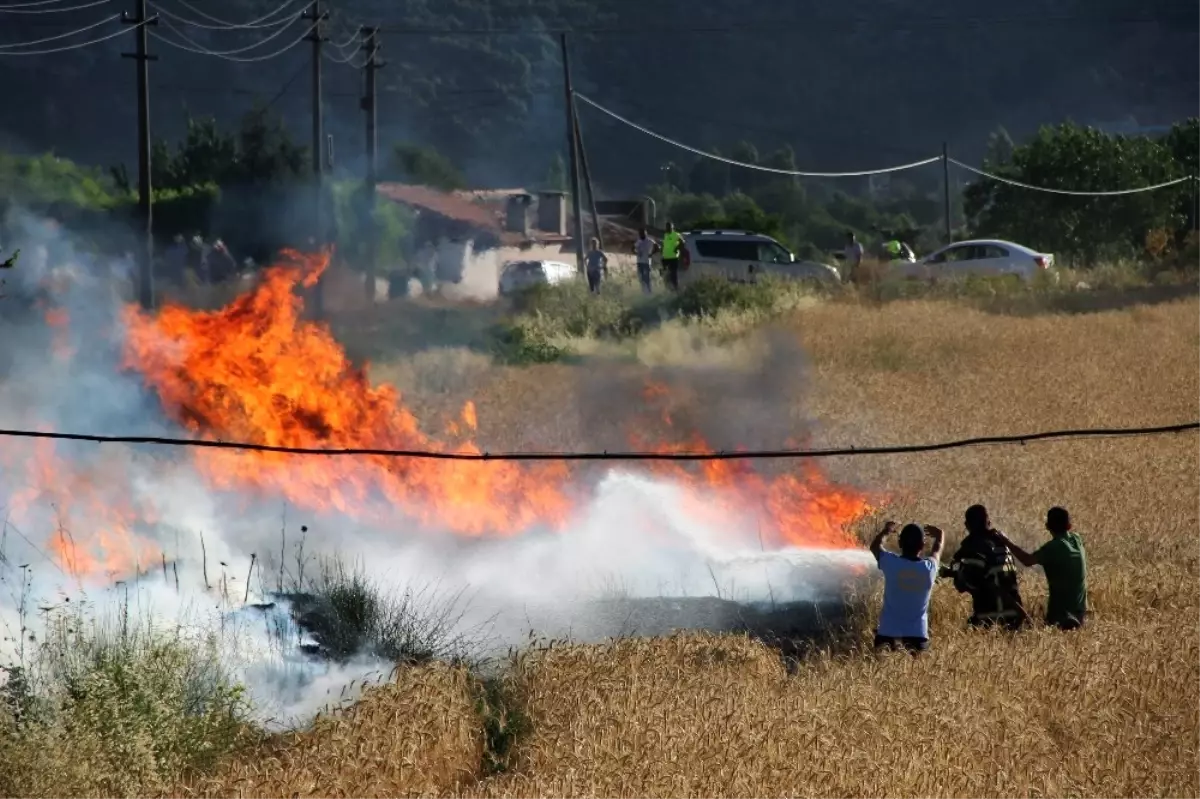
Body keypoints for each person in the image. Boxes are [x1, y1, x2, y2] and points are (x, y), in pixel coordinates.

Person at [993, 507, 1089, 630]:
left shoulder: (1053, 547)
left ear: (1047, 526)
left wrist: (1005, 540)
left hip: (1060, 614)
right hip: (1080, 611)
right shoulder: (1077, 539)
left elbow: (1027, 560)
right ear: (1069, 526)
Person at [942, 504, 1030, 631]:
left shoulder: (973, 547)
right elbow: (989, 573)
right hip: (1015, 616)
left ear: (967, 525)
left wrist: (952, 573)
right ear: (989, 522)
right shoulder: (1003, 543)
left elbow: (966, 583)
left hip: (990, 618)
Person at [870, 520, 944, 654]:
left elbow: (875, 546)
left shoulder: (891, 563)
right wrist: (940, 536)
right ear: (922, 545)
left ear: (900, 543)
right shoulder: (929, 568)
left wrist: (885, 532)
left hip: (887, 634)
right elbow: (937, 550)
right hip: (917, 636)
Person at [660, 221, 683, 291]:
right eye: (667, 227)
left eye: (669, 227)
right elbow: (664, 245)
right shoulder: (665, 235)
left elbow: (682, 242)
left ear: (672, 227)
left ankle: (676, 290)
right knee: (665, 275)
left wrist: (676, 248)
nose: (667, 229)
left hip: (673, 258)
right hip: (665, 258)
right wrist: (661, 251)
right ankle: (668, 290)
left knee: (673, 275)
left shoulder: (676, 235)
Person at [633, 228, 657, 293]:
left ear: (645, 234)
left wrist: (651, 254)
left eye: (643, 233)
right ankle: (644, 291)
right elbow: (633, 248)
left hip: (646, 262)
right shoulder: (638, 241)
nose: (641, 235)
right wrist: (636, 252)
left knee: (647, 278)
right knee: (641, 278)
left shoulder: (649, 241)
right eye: (640, 233)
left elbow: (657, 247)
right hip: (639, 262)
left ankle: (649, 291)